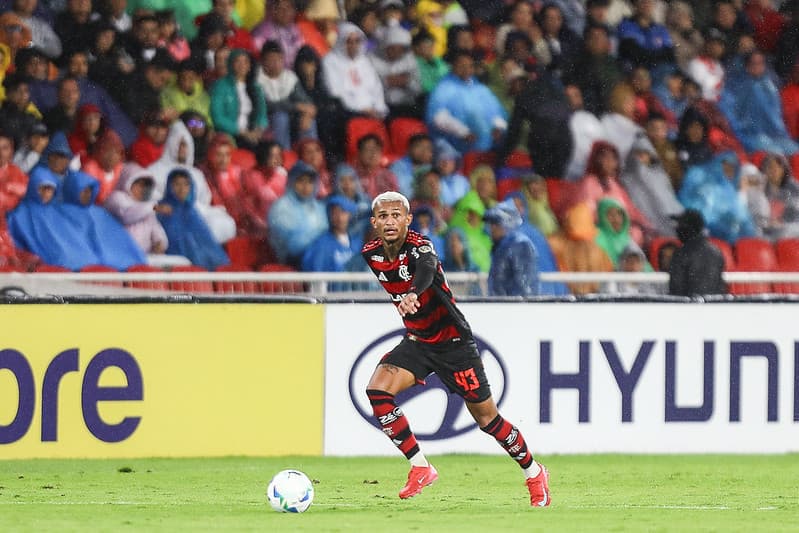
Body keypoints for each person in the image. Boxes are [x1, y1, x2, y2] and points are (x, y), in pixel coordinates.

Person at [361, 190, 550, 506]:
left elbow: (426, 269)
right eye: (383, 216)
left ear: (408, 220)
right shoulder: (371, 253)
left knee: (488, 420)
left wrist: (411, 293)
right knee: (377, 390)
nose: (390, 221)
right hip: (419, 341)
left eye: (396, 215)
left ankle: (534, 472)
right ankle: (421, 467)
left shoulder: (421, 246)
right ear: (374, 223)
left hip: (453, 343)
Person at [484, 201, 538, 296]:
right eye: (491, 224)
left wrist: (517, 307)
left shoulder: (519, 244)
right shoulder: (502, 245)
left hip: (513, 308)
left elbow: (525, 285)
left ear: (507, 224)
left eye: (496, 223)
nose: (491, 228)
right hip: (501, 306)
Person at [668, 208, 727, 296]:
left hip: (690, 307)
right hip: (714, 305)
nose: (677, 229)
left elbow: (676, 289)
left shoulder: (682, 253)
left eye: (680, 225)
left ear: (687, 228)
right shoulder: (716, 251)